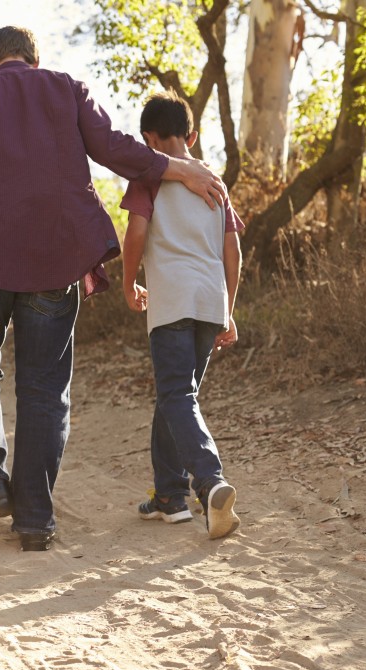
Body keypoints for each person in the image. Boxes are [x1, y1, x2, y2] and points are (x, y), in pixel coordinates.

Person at [0, 26, 227, 551]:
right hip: (55, 258)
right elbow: (112, 148)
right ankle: (35, 519)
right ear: (35, 61)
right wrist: (179, 169)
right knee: (44, 389)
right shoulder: (65, 88)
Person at [120, 92, 243, 539]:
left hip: (172, 301)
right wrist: (228, 308)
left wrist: (129, 282)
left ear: (148, 138)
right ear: (191, 136)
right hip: (210, 302)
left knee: (176, 396)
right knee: (177, 397)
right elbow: (233, 250)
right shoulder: (215, 182)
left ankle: (210, 482)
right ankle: (169, 497)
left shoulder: (149, 176)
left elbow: (136, 232)